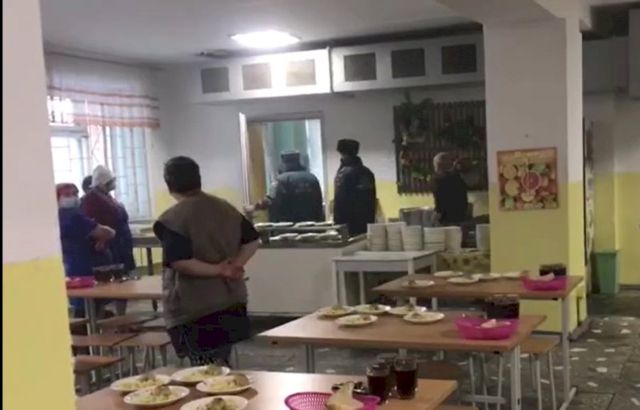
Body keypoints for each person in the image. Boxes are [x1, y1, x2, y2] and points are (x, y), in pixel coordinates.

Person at [153, 156, 260, 365]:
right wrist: (235, 265)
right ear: (198, 178)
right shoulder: (224, 207)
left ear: (169, 184)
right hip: (231, 298)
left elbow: (180, 262)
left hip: (196, 305)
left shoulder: (172, 219)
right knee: (221, 361)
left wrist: (219, 270)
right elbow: (252, 241)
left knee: (204, 370)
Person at [57, 183, 115, 317]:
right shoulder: (74, 217)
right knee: (87, 305)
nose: (73, 197)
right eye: (67, 195)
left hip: (69, 265)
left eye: (75, 193)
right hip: (83, 266)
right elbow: (108, 232)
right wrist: (103, 236)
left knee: (81, 303)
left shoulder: (57, 217)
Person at [81, 165, 136, 273]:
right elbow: (95, 222)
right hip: (109, 245)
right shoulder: (92, 199)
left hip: (120, 242)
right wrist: (102, 240)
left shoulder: (106, 196)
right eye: (110, 181)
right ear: (102, 183)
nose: (112, 183)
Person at [252, 151, 324, 223]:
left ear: (284, 164)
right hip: (313, 226)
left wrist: (255, 207)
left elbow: (269, 200)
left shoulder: (281, 180)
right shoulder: (312, 178)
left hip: (287, 226)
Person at [333, 139, 376, 236]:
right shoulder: (367, 173)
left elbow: (340, 201)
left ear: (344, 154)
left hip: (348, 227)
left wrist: (338, 226)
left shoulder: (344, 174)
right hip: (367, 225)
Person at [431, 152, 469, 226]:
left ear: (439, 165)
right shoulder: (457, 178)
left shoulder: (437, 179)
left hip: (445, 219)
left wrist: (436, 216)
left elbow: (440, 203)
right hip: (461, 217)